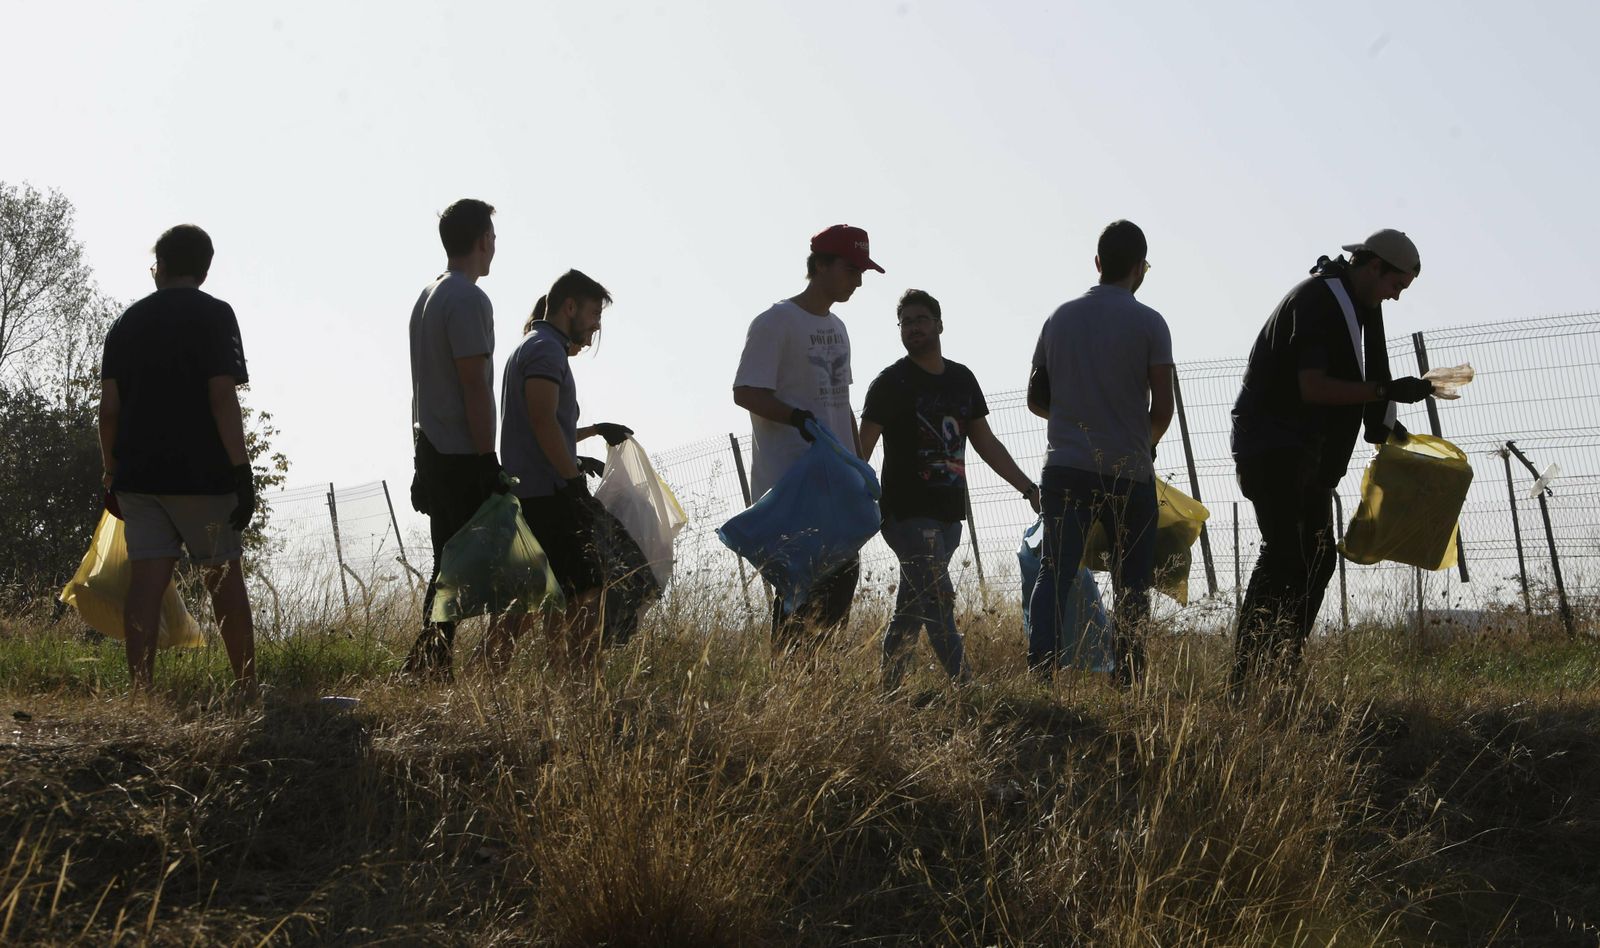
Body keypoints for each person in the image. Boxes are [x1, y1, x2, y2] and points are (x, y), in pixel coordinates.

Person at [1229, 229, 1434, 697]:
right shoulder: (1319, 301)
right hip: (1273, 446)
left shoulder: (1349, 303)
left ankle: (1279, 671)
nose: (1395, 297)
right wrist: (1384, 391)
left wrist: (1391, 420)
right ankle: (1244, 679)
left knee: (1317, 560)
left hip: (1304, 452)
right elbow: (1313, 387)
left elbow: (1346, 385)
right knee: (1284, 556)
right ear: (1374, 266)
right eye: (1395, 285)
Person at [98, 224, 257, 695]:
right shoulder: (215, 315)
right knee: (223, 578)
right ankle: (246, 688)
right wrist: (241, 470)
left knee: (146, 583)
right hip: (203, 476)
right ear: (204, 271)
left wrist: (111, 472)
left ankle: (141, 691)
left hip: (138, 477)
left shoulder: (126, 323)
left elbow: (109, 410)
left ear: (161, 267)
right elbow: (222, 397)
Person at [860, 289, 1040, 689]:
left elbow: (985, 442)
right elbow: (861, 450)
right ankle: (967, 688)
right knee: (938, 598)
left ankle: (887, 694)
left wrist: (1029, 489)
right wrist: (852, 503)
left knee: (912, 608)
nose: (913, 328)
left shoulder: (962, 379)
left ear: (939, 325)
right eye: (906, 322)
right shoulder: (890, 383)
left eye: (921, 320)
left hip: (949, 515)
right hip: (906, 513)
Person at [1026, 220, 1174, 685]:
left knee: (1055, 572)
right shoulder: (1151, 323)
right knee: (1132, 583)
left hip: (1066, 466)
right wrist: (1142, 445)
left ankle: (1042, 673)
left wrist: (1072, 417)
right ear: (1139, 268)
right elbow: (1163, 408)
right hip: (1129, 472)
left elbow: (1035, 397)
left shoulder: (1059, 318)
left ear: (1097, 263)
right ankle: (1127, 680)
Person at [733, 224, 882, 651]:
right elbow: (746, 392)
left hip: (837, 486)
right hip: (792, 488)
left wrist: (859, 467)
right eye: (851, 269)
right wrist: (795, 417)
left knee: (840, 587)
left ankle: (815, 681)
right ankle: (789, 679)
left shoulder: (839, 327)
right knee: (799, 595)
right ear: (820, 265)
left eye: (861, 272)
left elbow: (842, 401)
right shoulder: (775, 322)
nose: (858, 281)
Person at [500, 269, 629, 672]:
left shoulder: (536, 346)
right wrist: (573, 482)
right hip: (547, 495)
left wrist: (591, 434)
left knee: (536, 601)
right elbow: (542, 423)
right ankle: (581, 686)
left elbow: (544, 426)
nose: (596, 326)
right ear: (569, 307)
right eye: (594, 314)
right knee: (586, 594)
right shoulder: (546, 351)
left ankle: (544, 684)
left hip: (536, 492)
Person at [402, 199, 504, 679]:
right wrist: (488, 459)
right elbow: (473, 383)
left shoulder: (428, 296)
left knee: (450, 561)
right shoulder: (467, 298)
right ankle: (430, 661)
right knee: (462, 565)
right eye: (494, 237)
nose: (495, 246)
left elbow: (422, 386)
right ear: (483, 240)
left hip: (433, 446)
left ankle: (431, 661)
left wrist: (419, 460)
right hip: (461, 452)